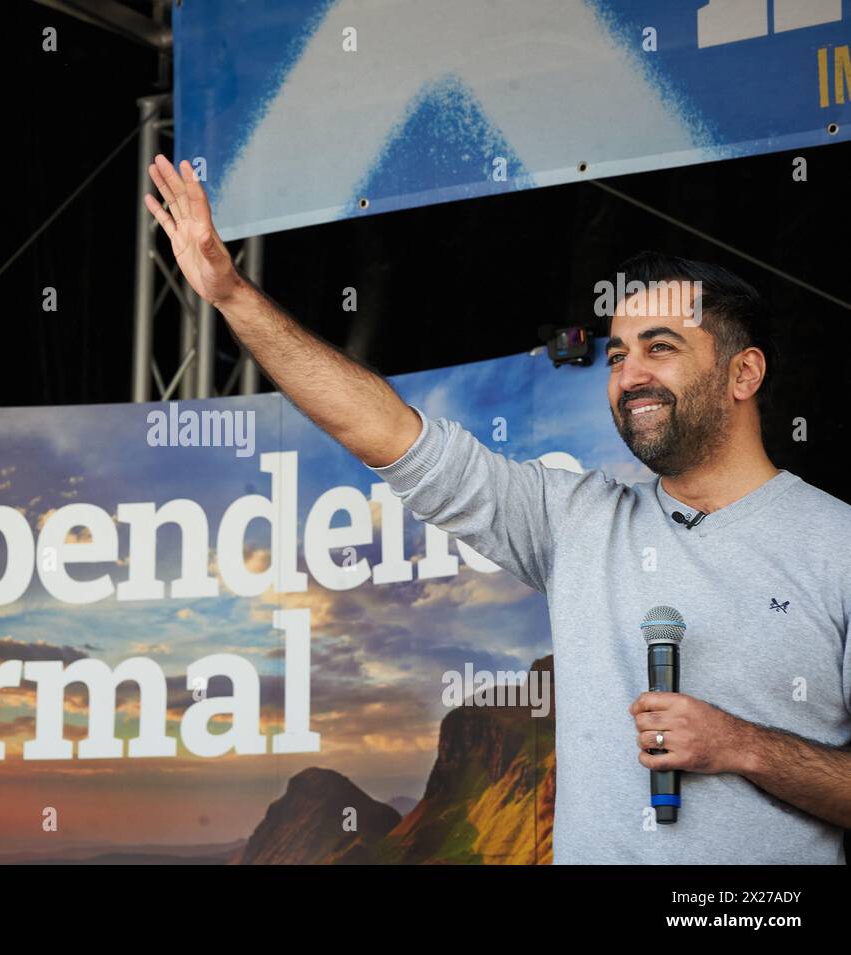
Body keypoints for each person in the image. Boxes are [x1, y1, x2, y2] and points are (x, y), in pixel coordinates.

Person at [144, 154, 851, 864]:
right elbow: (386, 430)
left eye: (659, 348)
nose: (630, 374)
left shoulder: (836, 544)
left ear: (744, 372)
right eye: (615, 355)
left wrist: (744, 745)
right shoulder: (572, 518)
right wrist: (232, 293)